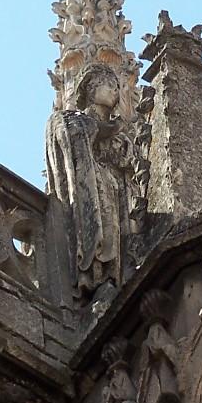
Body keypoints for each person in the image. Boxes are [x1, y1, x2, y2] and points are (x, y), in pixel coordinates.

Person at [46, 64, 131, 299]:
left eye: (117, 86)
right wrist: (101, 129)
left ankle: (112, 276)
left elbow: (124, 162)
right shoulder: (71, 119)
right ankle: (94, 275)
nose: (115, 91)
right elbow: (68, 135)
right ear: (91, 89)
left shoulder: (120, 132)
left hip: (111, 191)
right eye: (109, 84)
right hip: (90, 189)